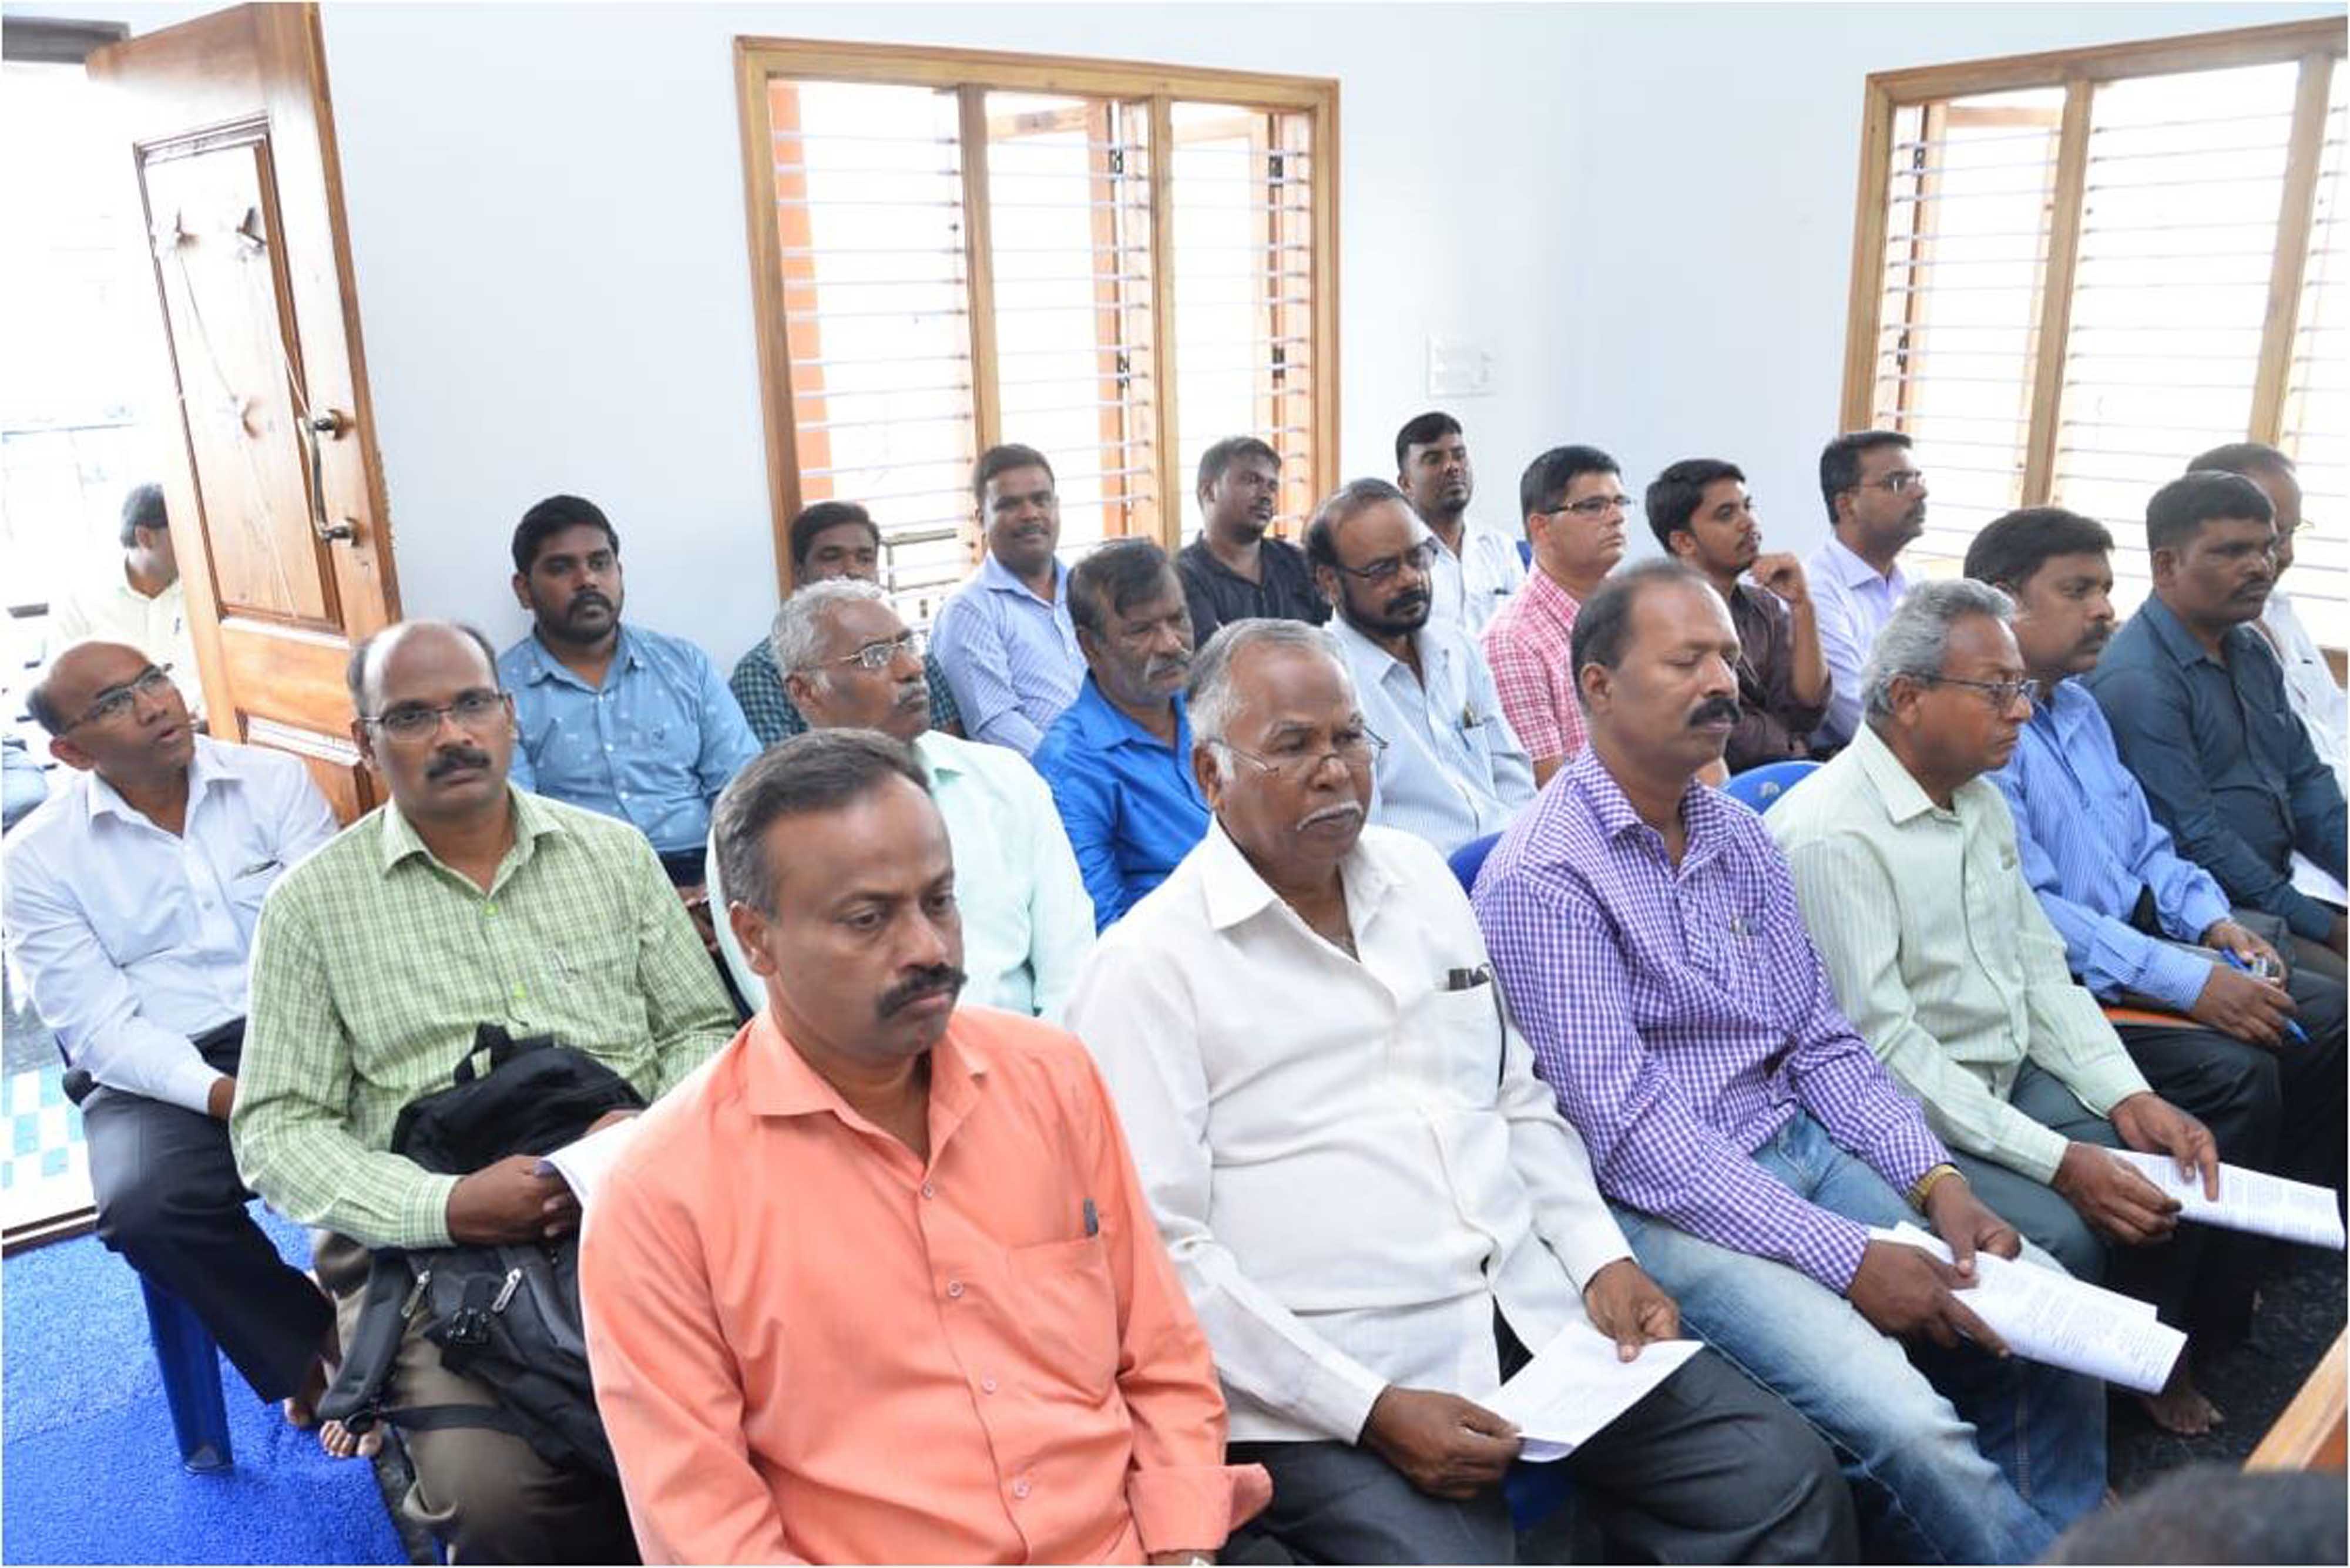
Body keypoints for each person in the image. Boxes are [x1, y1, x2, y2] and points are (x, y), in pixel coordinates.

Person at [1065, 619, 1855, 1566]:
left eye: (1350, 737)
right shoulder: (1147, 969)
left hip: (1526, 1312)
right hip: (1337, 1379)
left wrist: (1600, 1259)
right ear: (1211, 774)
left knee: (1781, 1475)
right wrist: (1369, 1406)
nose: (1335, 770)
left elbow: (1515, 1098)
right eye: (1295, 745)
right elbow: (1166, 1259)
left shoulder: (1418, 881)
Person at [1475, 559, 2104, 1564]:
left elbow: (1821, 1039)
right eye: (1686, 660)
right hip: (1668, 1209)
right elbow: (1634, 1137)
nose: (1720, 682)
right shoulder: (1545, 875)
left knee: (2046, 1321)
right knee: (1909, 1425)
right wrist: (1849, 1256)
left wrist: (1934, 1179)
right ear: (1598, 684)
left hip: (1799, 1143)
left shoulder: (1736, 832)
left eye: (1727, 656)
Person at [579, 730, 1272, 1564]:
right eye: (868, 919)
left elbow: (1161, 1358)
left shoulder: (1050, 1077)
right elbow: (706, 1527)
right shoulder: (660, 1194)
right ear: (754, 938)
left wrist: (1183, 1549)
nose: (928, 949)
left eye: (939, 901)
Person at [234, 619, 738, 1563]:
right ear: (366, 742)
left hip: (636, 1183)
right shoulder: (311, 906)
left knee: (779, 1393)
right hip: (436, 1245)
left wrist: (628, 1146)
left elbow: (701, 1032)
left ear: (509, 715)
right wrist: (450, 1205)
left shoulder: (613, 853)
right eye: (412, 716)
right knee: (502, 1502)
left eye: (471, 704)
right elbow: (277, 1130)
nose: (452, 734)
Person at [1768, 579, 2243, 1434]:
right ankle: (2046, 1441)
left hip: (2001, 1071)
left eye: (2021, 687)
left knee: (2162, 1171)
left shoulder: (1979, 799)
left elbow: (2038, 969)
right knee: (2063, 1232)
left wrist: (2126, 1092)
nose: (2023, 710)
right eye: (1997, 690)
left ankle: (2126, 1375)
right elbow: (1887, 1056)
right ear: (1907, 697)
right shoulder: (1835, 834)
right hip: (1910, 1116)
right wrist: (2059, 1159)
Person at [4, 642, 347, 1453]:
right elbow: (102, 1030)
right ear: (71, 752)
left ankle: (430, 1327)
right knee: (146, 1204)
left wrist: (302, 1065)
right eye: (115, 702)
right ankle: (316, 1346)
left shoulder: (272, 781)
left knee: (441, 1117)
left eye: (152, 678)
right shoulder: (34, 860)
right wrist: (233, 1098)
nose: (155, 703)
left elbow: (341, 935)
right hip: (156, 1066)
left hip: (305, 1027)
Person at [1967, 506, 2343, 1206]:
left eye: (2106, 588)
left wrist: (2212, 923)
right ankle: (2210, 1259)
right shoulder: (1984, 732)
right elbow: (2033, 914)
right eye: (2077, 590)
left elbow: (2147, 845)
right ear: (2002, 601)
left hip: (2140, 942)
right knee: (2240, 1070)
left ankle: (2297, 1235)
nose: (2104, 609)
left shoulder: (2078, 707)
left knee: (2331, 1015)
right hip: (2072, 979)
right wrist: (2187, 980)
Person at [706, 579, 1092, 1020]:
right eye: (874, 656)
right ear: (804, 691)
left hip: (1029, 1054)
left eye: (908, 644)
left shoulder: (1004, 779)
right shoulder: (756, 824)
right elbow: (787, 1010)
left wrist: (1039, 1058)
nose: (911, 667)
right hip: (858, 1062)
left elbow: (1071, 968)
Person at [2086, 471, 2348, 977]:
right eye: (2231, 552)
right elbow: (2197, 839)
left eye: (2266, 548)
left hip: (2275, 890)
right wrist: (2328, 927)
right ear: (2166, 565)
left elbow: (2308, 785)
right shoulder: (2140, 679)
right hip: (2203, 911)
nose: (2261, 566)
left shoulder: (2250, 649)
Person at [499, 494, 760, 891]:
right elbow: (517, 823)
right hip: (585, 884)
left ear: (619, 572)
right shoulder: (499, 691)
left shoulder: (684, 665)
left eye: (599, 563)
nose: (587, 580)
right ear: (524, 590)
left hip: (706, 870)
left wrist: (720, 890)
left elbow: (744, 789)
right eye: (561, 567)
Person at [1310, 480, 1535, 855]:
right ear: (1330, 581)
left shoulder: (1458, 646)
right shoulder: (1321, 680)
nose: (1411, 578)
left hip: (1509, 859)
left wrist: (1520, 852)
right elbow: (1366, 839)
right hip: (1422, 878)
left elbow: (1511, 770)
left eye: (1418, 557)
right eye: (1383, 569)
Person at [2187, 443, 2346, 899]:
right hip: (2304, 873)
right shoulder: (2198, 650)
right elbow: (2287, 793)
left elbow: (2333, 719)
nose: (2287, 553)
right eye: (2274, 536)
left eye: (2291, 533)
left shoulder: (2279, 611)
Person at [1032, 540, 1209, 928]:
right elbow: (1102, 926)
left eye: (1178, 619)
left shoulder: (1216, 706)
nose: (1170, 644)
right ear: (1090, 645)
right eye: (1141, 631)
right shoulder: (1070, 765)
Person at [725, 499, 962, 744]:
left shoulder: (910, 652)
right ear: (799, 573)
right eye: (831, 557)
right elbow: (777, 765)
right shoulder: (761, 671)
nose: (852, 570)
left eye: (865, 558)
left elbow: (950, 748)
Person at [1647, 459, 1828, 773]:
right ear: (1684, 542)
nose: (1748, 522)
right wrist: (1789, 742)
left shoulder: (1763, 606)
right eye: (1726, 514)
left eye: (1748, 506)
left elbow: (1806, 711)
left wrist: (1802, 606)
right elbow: (1722, 733)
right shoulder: (1663, 619)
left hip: (1786, 772)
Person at [1482, 445, 1627, 785]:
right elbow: (1552, 790)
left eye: (1620, 502)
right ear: (1541, 528)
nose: (1616, 517)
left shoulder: (1637, 608)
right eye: (1594, 506)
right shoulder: (1513, 642)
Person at [929, 444, 1086, 754]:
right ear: (981, 520)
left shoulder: (1088, 589)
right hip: (1048, 779)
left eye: (1041, 500)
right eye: (1010, 505)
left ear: (1056, 507)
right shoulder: (970, 609)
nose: (1030, 514)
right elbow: (995, 727)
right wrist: (1083, 773)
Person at [1807, 431, 1928, 748]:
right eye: (1898, 483)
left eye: (1918, 479)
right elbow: (1856, 715)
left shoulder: (1918, 582)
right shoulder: (1815, 589)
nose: (1920, 492)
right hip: (1849, 760)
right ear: (1847, 505)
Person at [48, 483, 203, 716]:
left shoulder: (207, 592)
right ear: (145, 537)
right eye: (186, 533)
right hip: (120, 734)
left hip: (207, 728)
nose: (198, 543)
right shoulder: (81, 600)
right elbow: (64, 690)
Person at [1176, 436, 1328, 644]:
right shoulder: (1183, 576)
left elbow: (1330, 641)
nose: (1266, 495)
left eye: (1272, 487)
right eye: (1252, 481)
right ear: (1209, 492)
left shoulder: (1298, 563)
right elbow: (1214, 656)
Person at [1395, 411, 1526, 634]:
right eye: (1434, 459)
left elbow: (1522, 628)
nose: (1453, 467)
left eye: (1459, 455)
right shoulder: (1397, 559)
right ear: (1406, 484)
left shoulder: (1500, 548)